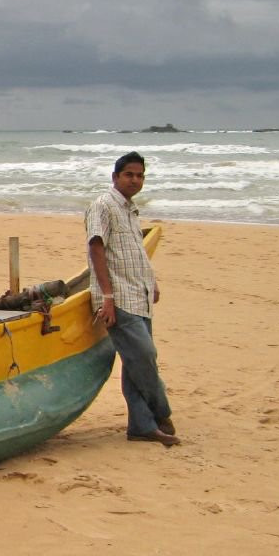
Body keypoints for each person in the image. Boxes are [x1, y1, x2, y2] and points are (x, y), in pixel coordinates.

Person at [86, 151, 179, 446]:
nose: (135, 180)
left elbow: (134, 250)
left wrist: (151, 280)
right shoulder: (103, 205)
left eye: (140, 175)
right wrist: (108, 297)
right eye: (129, 174)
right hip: (118, 298)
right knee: (144, 356)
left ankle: (141, 427)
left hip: (139, 294)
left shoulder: (130, 209)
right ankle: (161, 411)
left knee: (134, 362)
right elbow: (96, 250)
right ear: (115, 177)